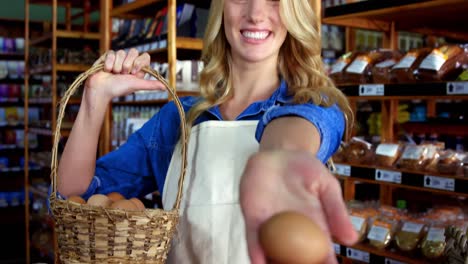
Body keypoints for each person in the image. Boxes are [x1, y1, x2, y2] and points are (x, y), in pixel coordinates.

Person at [57, 0, 358, 263]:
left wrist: (281, 159)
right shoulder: (177, 119)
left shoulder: (318, 105)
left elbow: (297, 125)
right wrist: (94, 100)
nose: (255, 13)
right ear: (221, 9)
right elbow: (75, 197)